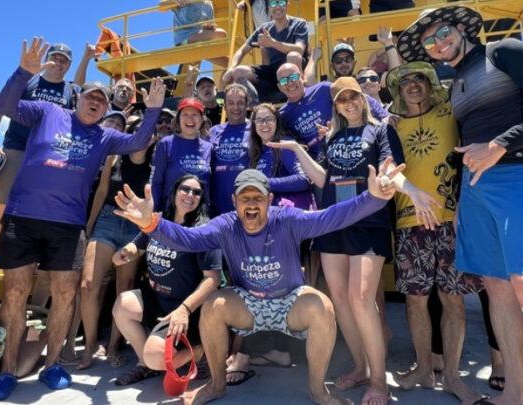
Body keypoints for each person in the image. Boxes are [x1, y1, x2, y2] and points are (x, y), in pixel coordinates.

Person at [396, 5, 523, 404]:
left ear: (461, 27)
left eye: (444, 32)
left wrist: (501, 145)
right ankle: (517, 395)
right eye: (430, 41)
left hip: (519, 174)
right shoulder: (453, 85)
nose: (439, 43)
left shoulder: (503, 51)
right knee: (497, 288)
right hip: (475, 187)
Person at [113, 166, 401, 405]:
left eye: (258, 198)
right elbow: (188, 239)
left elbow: (332, 216)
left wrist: (373, 198)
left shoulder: (288, 219)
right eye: (244, 198)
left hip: (288, 302)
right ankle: (216, 384)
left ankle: (317, 391)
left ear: (270, 199)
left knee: (321, 305)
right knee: (216, 303)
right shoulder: (225, 225)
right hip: (248, 304)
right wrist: (150, 224)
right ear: (234, 201)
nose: (251, 203)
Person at [0, 38, 166, 401]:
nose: (95, 102)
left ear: (105, 108)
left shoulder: (104, 136)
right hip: (23, 217)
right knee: (15, 293)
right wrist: (23, 73)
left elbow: (140, 140)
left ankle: (52, 365)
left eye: (101, 100)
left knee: (66, 295)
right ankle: (7, 372)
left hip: (67, 225)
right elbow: (6, 106)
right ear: (76, 98)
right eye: (90, 97)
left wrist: (153, 110)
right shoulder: (47, 113)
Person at [272, 77, 437, 405]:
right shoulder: (331, 136)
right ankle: (361, 367)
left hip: (368, 220)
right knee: (342, 299)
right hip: (334, 221)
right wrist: (297, 150)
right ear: (335, 105)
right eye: (341, 99)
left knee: (362, 297)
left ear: (362, 99)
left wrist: (412, 190)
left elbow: (391, 171)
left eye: (353, 97)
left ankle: (379, 380)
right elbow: (323, 179)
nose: (349, 103)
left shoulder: (380, 131)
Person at [384, 62, 483, 403]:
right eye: (405, 81)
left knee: (454, 300)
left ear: (430, 84)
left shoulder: (449, 113)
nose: (412, 85)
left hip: (451, 219)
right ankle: (424, 369)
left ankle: (453, 376)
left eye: (419, 79)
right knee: (415, 300)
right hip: (410, 223)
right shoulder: (390, 127)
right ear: (398, 90)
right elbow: (388, 170)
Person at [0, 43, 86, 280]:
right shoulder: (30, 81)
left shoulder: (71, 92)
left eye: (64, 61)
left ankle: (29, 266)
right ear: (47, 59)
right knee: (2, 208)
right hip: (18, 148)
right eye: (55, 58)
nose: (59, 64)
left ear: (69, 65)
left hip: (49, 156)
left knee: (39, 211)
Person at [225, 103, 314, 383]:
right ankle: (276, 350)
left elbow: (304, 179)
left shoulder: (284, 147)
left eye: (268, 119)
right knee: (264, 285)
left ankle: (281, 351)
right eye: (258, 120)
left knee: (281, 287)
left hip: (286, 227)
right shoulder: (256, 151)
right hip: (264, 227)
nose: (264, 124)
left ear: (276, 121)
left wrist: (265, 185)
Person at [111, 175, 222, 386]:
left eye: (196, 192)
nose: (190, 195)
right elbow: (139, 245)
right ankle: (145, 365)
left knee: (157, 357)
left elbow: (212, 279)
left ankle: (200, 351)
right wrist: (125, 253)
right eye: (185, 189)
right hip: (157, 297)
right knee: (123, 305)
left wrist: (184, 310)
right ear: (174, 191)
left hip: (185, 306)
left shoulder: (204, 231)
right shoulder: (159, 220)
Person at [77, 117, 156, 370]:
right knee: (89, 284)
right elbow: (101, 191)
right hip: (107, 220)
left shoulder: (155, 167)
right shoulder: (114, 158)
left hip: (135, 226)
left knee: (125, 288)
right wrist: (89, 226)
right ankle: (90, 344)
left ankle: (113, 345)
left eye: (148, 135)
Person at [277, 61, 388, 162]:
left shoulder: (323, 89)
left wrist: (383, 116)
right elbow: (297, 145)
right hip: (321, 162)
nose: (290, 83)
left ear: (302, 77)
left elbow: (361, 98)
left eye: (293, 77)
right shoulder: (282, 115)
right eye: (284, 80)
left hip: (350, 146)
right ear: (279, 87)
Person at [223, 0, 308, 103]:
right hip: (272, 73)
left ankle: (298, 96)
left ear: (287, 5)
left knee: (293, 55)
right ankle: (255, 103)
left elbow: (300, 50)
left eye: (281, 2)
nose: (277, 6)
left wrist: (272, 43)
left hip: (291, 70)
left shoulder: (299, 23)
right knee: (238, 71)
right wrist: (231, 68)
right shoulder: (264, 28)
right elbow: (241, 51)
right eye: (273, 3)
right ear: (269, 7)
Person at [150, 97, 213, 211]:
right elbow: (156, 183)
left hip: (199, 218)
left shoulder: (209, 148)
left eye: (194, 114)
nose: (190, 119)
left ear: (202, 119)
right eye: (185, 114)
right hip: (169, 215)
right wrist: (153, 213)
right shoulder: (166, 144)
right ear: (178, 118)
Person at [208, 83, 251, 215]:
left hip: (249, 205)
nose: (236, 107)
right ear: (225, 106)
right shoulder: (213, 132)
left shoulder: (257, 130)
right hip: (218, 208)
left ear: (247, 104)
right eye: (231, 103)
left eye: (240, 103)